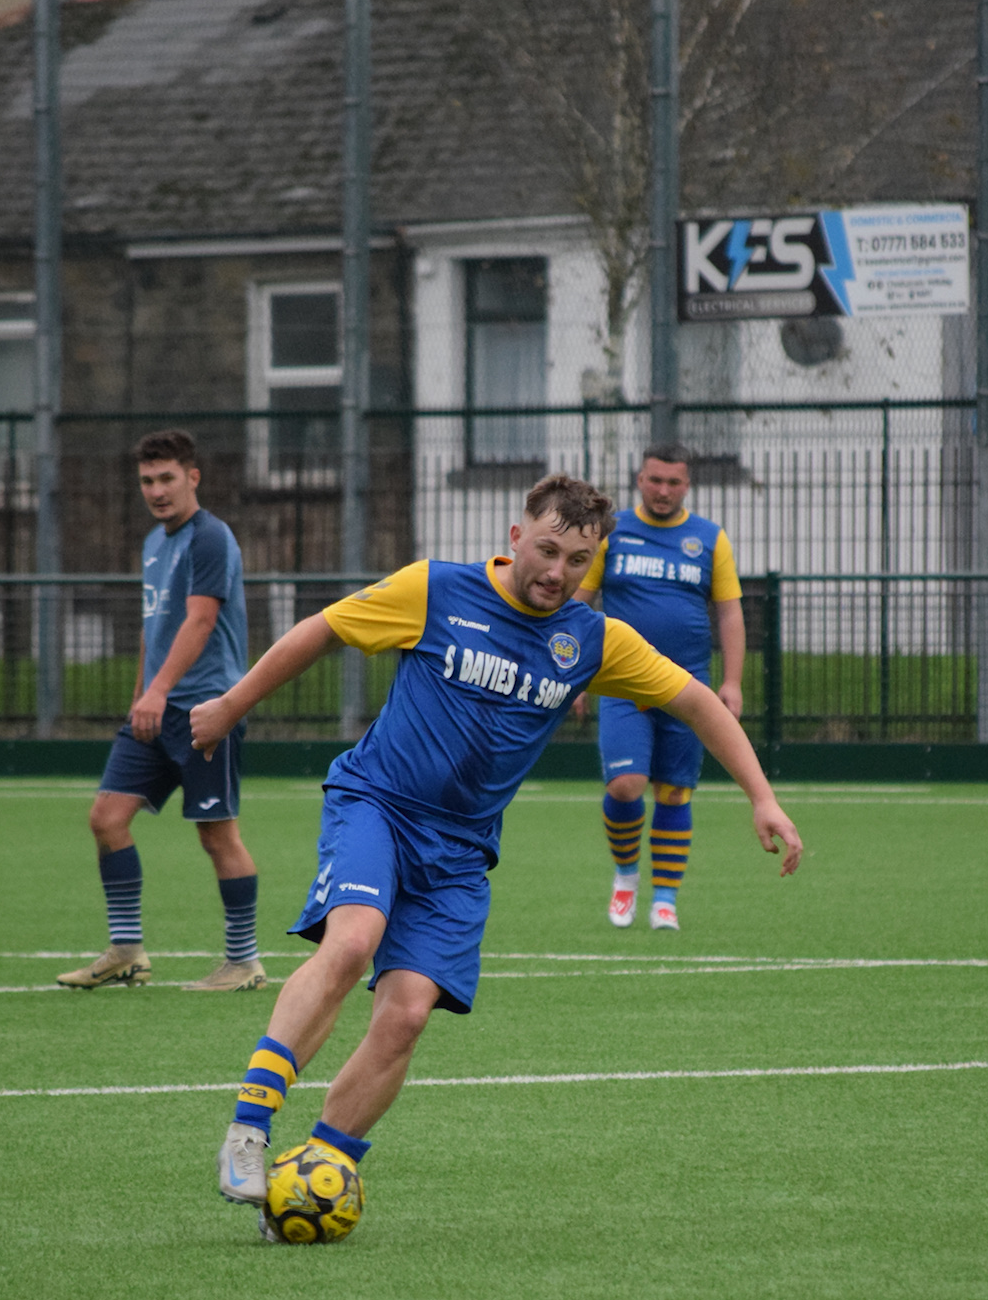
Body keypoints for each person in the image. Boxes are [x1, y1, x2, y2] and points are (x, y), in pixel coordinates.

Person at [185, 473, 802, 1226]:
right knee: (351, 945)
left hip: (462, 849)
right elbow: (325, 628)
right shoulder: (436, 589)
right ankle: (249, 1130)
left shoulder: (591, 639)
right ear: (515, 538)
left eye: (578, 560)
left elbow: (699, 702)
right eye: (547, 549)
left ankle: (319, 1163)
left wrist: (762, 795)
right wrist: (230, 705)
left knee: (408, 1011)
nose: (558, 572)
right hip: (378, 804)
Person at [57, 430, 265, 993]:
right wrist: (141, 694)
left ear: (192, 477)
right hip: (156, 708)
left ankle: (243, 961)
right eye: (147, 481)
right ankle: (126, 950)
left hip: (206, 710)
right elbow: (157, 626)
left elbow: (199, 621)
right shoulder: (154, 542)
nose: (157, 490)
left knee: (216, 836)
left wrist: (160, 691)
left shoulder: (210, 538)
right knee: (106, 818)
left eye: (167, 478)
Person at [574, 443, 743, 932]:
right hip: (622, 682)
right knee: (626, 785)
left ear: (686, 485)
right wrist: (576, 673)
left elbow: (729, 612)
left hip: (688, 685)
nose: (663, 490)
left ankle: (665, 898)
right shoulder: (613, 534)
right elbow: (581, 602)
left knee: (674, 793)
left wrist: (731, 682)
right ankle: (626, 876)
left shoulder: (709, 538)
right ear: (639, 480)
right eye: (655, 480)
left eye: (673, 482)